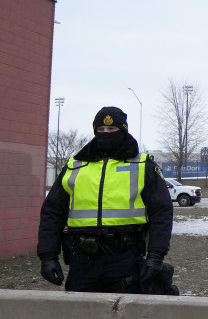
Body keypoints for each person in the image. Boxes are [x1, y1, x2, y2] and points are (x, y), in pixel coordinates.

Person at [37, 106, 173, 293]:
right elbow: (52, 212)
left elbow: (162, 212)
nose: (105, 133)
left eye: (112, 129)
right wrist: (48, 256)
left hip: (125, 259)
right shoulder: (75, 166)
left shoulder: (143, 166)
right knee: (80, 316)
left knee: (125, 317)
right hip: (82, 262)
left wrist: (156, 256)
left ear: (123, 131)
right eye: (100, 130)